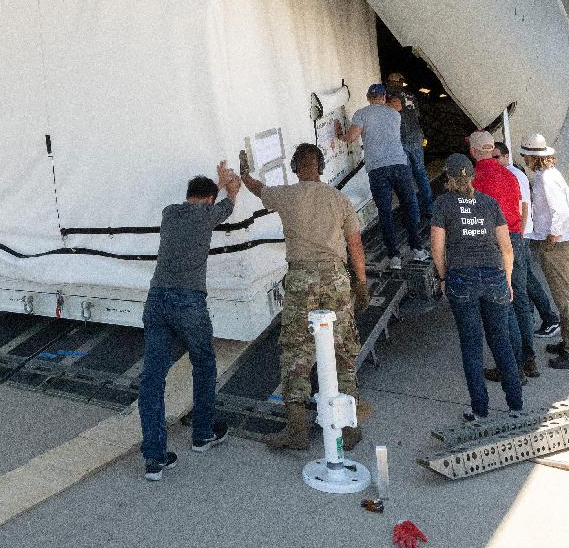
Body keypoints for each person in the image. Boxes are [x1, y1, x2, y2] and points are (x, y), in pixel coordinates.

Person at [242, 143, 372, 452]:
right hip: (336, 279)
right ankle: (348, 427)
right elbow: (355, 245)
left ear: (295, 168)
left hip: (301, 279)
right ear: (322, 167)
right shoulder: (339, 200)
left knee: (296, 350)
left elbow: (258, 189)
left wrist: (244, 172)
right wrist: (362, 283)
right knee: (342, 350)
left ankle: (296, 430)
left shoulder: (286, 196)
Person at [138, 161, 241, 481]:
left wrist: (218, 187)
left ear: (187, 196)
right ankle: (203, 433)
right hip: (188, 301)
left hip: (156, 299)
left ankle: (155, 459)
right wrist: (230, 187)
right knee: (204, 362)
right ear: (209, 199)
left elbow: (207, 203)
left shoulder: (170, 212)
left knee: (152, 378)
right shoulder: (209, 214)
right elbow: (228, 204)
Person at [430, 154, 523, 420]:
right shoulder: (489, 203)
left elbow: (437, 247)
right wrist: (506, 280)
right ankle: (515, 405)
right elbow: (506, 248)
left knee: (472, 346)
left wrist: (443, 277)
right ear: (472, 177)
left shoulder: (443, 204)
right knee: (501, 341)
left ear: (448, 178)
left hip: (462, 278)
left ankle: (480, 410)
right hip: (494, 275)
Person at [467, 131, 539, 382]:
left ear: (474, 152)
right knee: (519, 302)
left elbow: (474, 219)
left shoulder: (475, 179)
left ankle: (512, 368)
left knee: (501, 309)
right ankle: (528, 360)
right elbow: (522, 207)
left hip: (495, 244)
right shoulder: (511, 175)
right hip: (516, 238)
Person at [521, 133, 569, 369]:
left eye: (525, 155)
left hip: (558, 245)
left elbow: (560, 212)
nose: (524, 159)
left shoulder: (547, 179)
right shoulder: (548, 175)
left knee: (565, 299)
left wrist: (552, 237)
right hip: (561, 242)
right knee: (564, 297)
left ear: (532, 157)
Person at [343, 83, 423, 269]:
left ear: (368, 96)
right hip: (399, 164)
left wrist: (340, 134)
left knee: (385, 212)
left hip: (378, 169)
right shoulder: (395, 114)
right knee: (409, 205)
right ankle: (417, 249)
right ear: (384, 96)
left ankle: (394, 257)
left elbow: (352, 137)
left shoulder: (361, 113)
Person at [495, 140, 562, 339]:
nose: (494, 160)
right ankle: (544, 318)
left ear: (506, 157)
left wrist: (520, 235)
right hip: (519, 235)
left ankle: (546, 319)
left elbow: (523, 207)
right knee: (526, 279)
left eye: (497, 157)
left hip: (519, 236)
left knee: (522, 282)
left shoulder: (515, 175)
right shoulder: (510, 174)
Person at [385, 73, 434, 227]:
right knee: (421, 174)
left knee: (406, 179)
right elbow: (416, 115)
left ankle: (413, 216)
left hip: (401, 140)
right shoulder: (411, 96)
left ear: (390, 82)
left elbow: (394, 111)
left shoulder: (390, 96)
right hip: (416, 138)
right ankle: (430, 209)